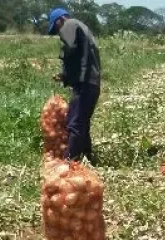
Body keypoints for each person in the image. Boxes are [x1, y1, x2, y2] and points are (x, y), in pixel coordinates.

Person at [48, 7, 101, 163]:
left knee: (75, 123)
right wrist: (65, 75)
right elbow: (80, 54)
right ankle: (87, 158)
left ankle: (70, 162)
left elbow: (70, 47)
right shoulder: (81, 27)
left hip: (85, 82)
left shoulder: (69, 24)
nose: (58, 32)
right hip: (92, 82)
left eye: (56, 28)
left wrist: (63, 61)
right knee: (82, 122)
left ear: (59, 20)